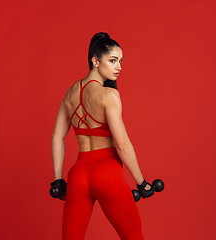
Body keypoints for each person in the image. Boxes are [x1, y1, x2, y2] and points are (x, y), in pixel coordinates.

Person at [51, 32, 154, 240]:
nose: (119, 67)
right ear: (95, 60)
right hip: (106, 173)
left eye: (121, 61)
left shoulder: (70, 94)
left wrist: (58, 180)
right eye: (113, 60)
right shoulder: (109, 95)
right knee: (134, 237)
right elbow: (123, 145)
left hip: (78, 175)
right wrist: (141, 182)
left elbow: (56, 137)